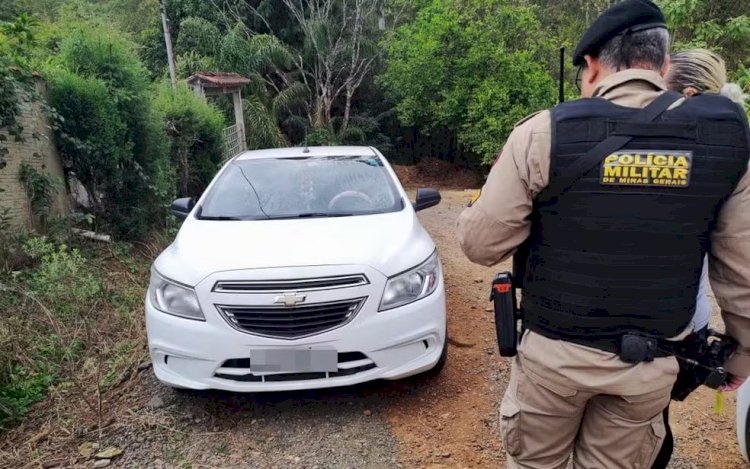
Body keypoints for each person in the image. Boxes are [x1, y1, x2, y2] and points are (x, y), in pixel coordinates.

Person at [456, 1, 750, 467]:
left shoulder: (542, 133)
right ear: (664, 64)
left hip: (553, 359)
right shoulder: (726, 141)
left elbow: (479, 244)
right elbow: (743, 272)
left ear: (592, 65)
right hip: (648, 368)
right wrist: (741, 356)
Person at [651, 48, 749, 469]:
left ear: (688, 94)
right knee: (652, 423)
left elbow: (740, 266)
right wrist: (741, 356)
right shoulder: (729, 155)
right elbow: (739, 266)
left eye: (659, 91)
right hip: (683, 320)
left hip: (662, 321)